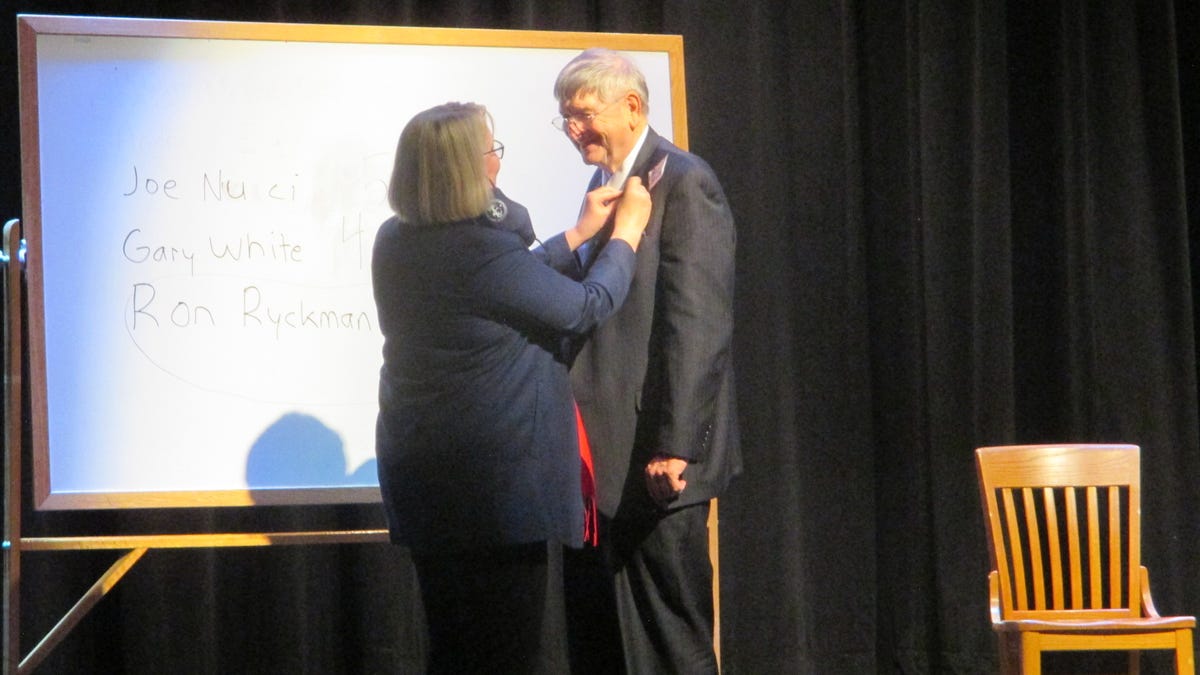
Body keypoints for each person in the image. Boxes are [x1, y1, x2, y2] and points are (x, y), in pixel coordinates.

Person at [371, 101, 651, 674]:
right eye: (489, 150)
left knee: (454, 647)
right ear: (462, 170)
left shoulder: (395, 240)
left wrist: (574, 236)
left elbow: (500, 287)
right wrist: (624, 236)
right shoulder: (479, 249)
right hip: (490, 488)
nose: (497, 161)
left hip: (428, 480)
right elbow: (583, 308)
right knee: (505, 651)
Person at [551, 48, 742, 674]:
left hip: (656, 458)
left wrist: (676, 444)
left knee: (668, 640)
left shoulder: (687, 181)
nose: (574, 129)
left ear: (631, 106)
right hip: (605, 462)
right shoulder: (603, 185)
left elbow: (698, 326)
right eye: (565, 118)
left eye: (582, 114)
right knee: (609, 642)